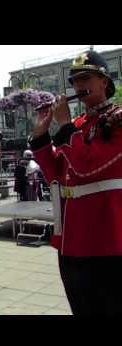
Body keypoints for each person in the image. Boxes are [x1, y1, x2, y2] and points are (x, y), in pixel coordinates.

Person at [30, 50, 122, 315]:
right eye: (75, 81)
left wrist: (65, 125)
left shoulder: (117, 119)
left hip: (106, 238)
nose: (79, 86)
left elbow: (88, 167)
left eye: (85, 78)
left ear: (104, 81)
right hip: (72, 238)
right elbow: (56, 175)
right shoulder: (77, 125)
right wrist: (40, 136)